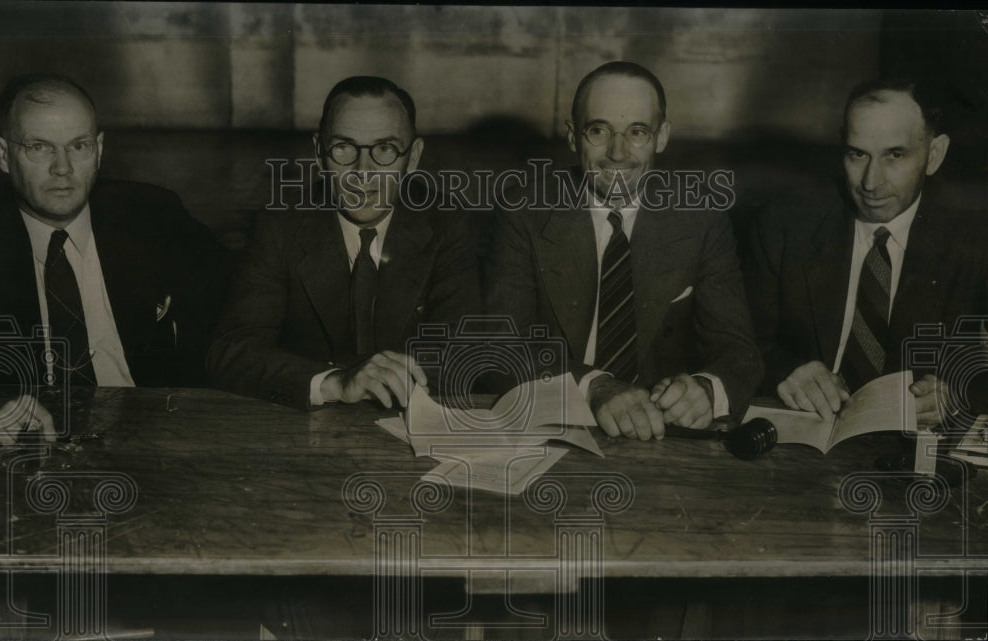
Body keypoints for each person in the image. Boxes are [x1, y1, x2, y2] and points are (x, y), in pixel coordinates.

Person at [485, 61, 762, 441]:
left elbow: (738, 350)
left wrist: (706, 390)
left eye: (637, 132)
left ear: (661, 137)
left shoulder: (702, 218)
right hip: (556, 427)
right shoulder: (523, 211)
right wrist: (596, 388)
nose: (618, 153)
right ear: (572, 136)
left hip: (662, 438)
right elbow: (504, 347)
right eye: (598, 130)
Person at [208, 76, 480, 410]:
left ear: (412, 158)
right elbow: (232, 351)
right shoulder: (279, 226)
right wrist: (337, 382)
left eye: (385, 149)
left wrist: (380, 381)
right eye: (343, 148)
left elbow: (460, 352)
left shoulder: (448, 225)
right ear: (319, 155)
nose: (362, 172)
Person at [745, 77, 988, 427]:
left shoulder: (974, 241)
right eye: (857, 154)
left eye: (895, 155)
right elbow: (741, 341)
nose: (871, 183)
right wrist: (788, 371)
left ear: (934, 155)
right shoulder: (785, 224)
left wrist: (959, 394)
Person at [0, 73, 229, 395]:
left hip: (147, 424)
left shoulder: (153, 215)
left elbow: (242, 311)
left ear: (99, 149)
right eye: (39, 147)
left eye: (79, 146)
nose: (63, 167)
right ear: (3, 154)